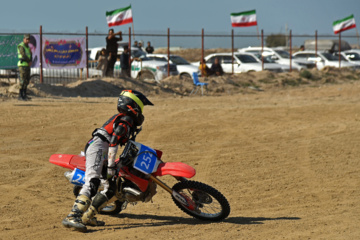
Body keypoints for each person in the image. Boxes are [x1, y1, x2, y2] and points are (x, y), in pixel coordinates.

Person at [62, 90, 154, 233]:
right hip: (99, 146)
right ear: (133, 105)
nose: (140, 111)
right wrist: (111, 166)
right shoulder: (126, 120)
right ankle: (73, 216)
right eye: (140, 107)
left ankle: (88, 216)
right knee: (92, 182)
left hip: (102, 148)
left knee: (111, 188)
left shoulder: (125, 120)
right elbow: (114, 141)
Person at [17, 34, 32, 101]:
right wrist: (29, 61)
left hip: (27, 65)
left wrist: (30, 60)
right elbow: (23, 55)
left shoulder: (28, 47)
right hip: (22, 65)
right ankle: (20, 95)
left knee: (26, 81)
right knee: (22, 81)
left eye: (28, 39)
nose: (27, 40)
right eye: (26, 39)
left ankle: (24, 95)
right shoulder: (21, 46)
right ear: (24, 39)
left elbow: (30, 54)